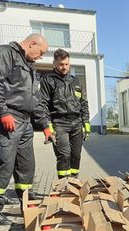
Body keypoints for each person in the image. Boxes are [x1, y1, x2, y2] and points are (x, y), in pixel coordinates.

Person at [0, 33, 49, 225]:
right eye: (41, 52)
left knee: (26, 164)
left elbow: (34, 99)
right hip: (7, 118)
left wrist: (44, 125)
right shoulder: (4, 53)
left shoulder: (29, 65)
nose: (40, 57)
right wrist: (3, 112)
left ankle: (26, 202)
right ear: (32, 43)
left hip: (25, 121)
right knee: (2, 161)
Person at [37, 49, 90, 179]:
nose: (64, 67)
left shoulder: (75, 81)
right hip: (59, 123)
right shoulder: (47, 80)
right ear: (54, 63)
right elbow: (42, 104)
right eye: (61, 64)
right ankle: (63, 186)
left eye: (67, 64)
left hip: (77, 123)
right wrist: (48, 126)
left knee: (76, 155)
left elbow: (83, 103)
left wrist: (86, 123)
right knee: (64, 155)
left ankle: (73, 183)